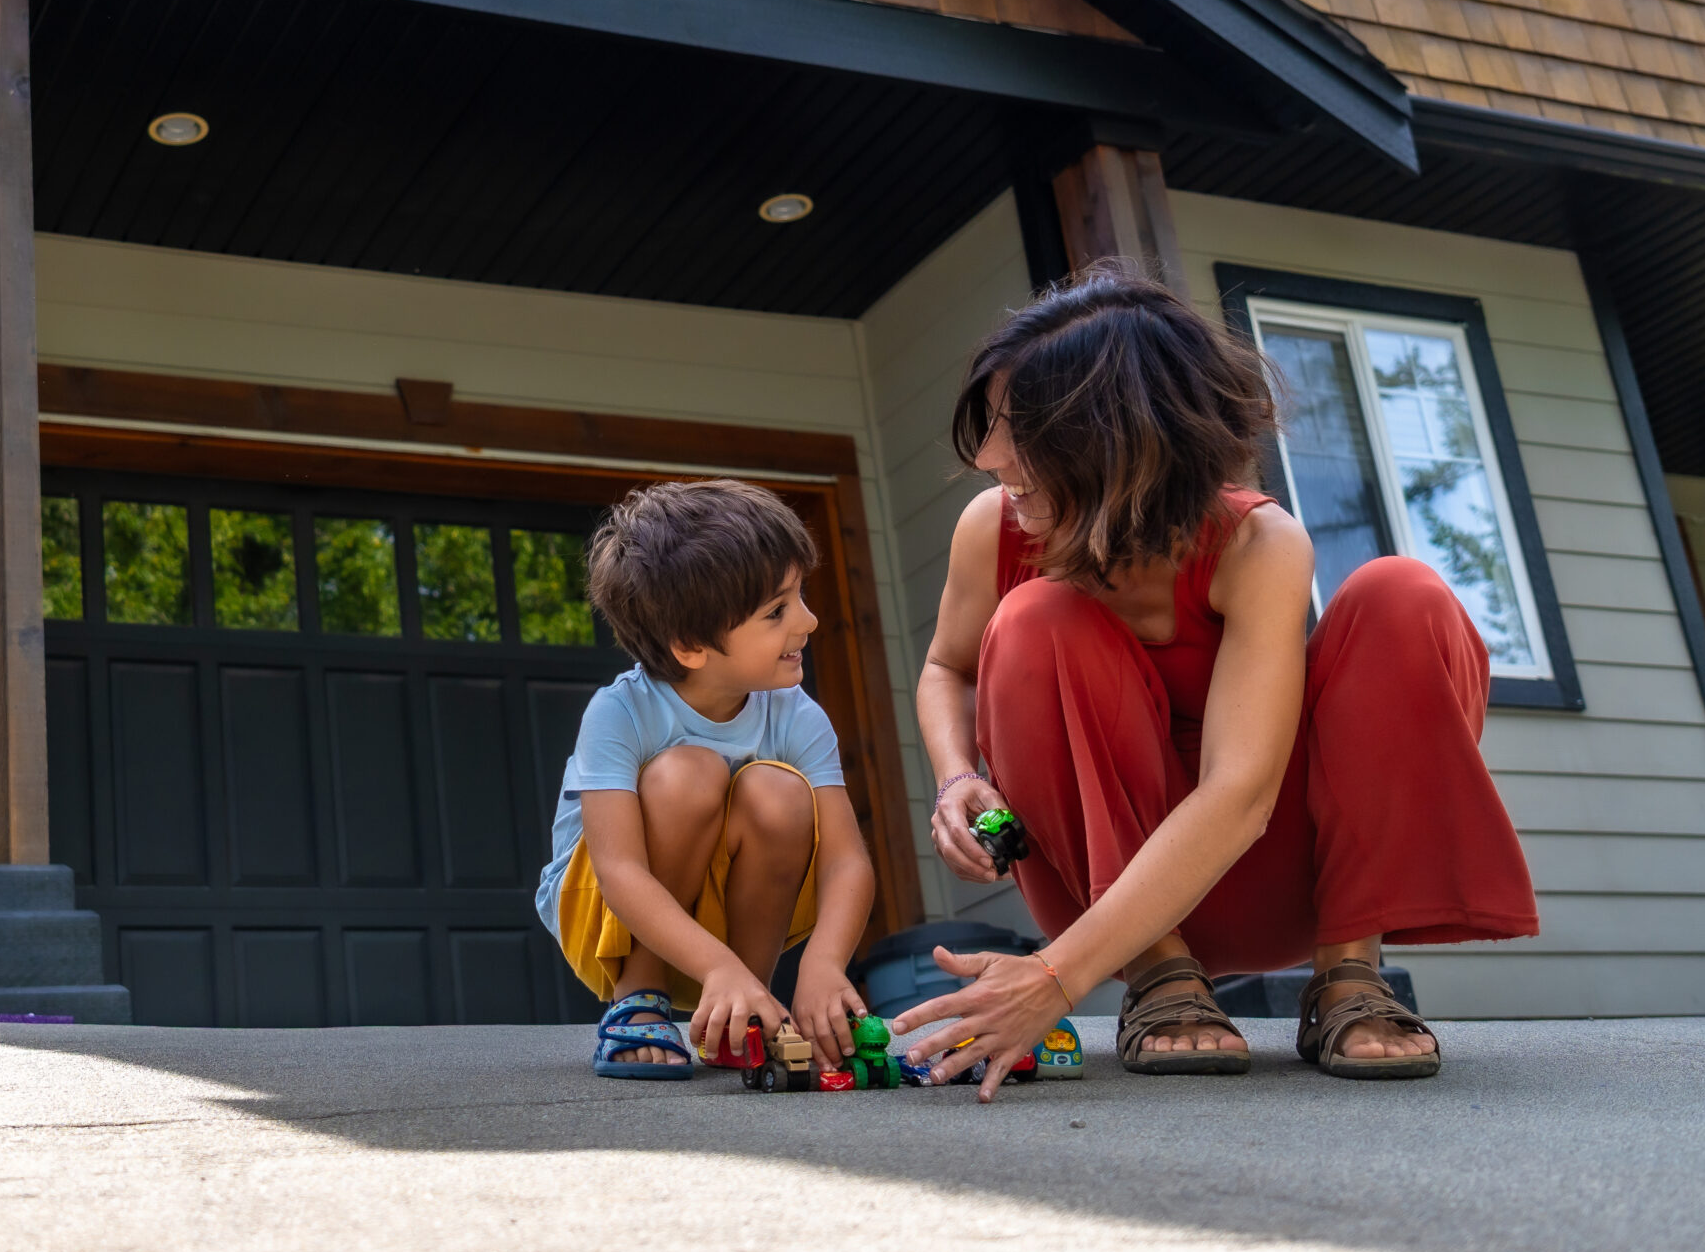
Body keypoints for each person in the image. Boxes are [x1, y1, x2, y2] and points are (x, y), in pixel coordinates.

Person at [894, 270, 1537, 1093]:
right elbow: (947, 668)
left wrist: (1054, 976)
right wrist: (956, 776)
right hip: (1113, 898)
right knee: (1032, 618)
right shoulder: (994, 529)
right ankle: (1163, 978)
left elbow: (1240, 794)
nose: (988, 459)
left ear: (1117, 438)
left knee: (1401, 593)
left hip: (1280, 870)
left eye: (1020, 431)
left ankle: (1350, 974)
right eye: (990, 427)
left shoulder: (1259, 545)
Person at [536, 479, 879, 1078]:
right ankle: (638, 999)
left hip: (718, 910)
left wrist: (824, 963)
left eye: (800, 596)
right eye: (778, 610)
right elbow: (619, 870)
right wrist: (711, 966)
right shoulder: (620, 712)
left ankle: (747, 1004)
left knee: (779, 791)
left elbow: (847, 860)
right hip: (602, 909)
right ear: (692, 645)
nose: (809, 620)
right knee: (687, 773)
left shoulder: (797, 713)